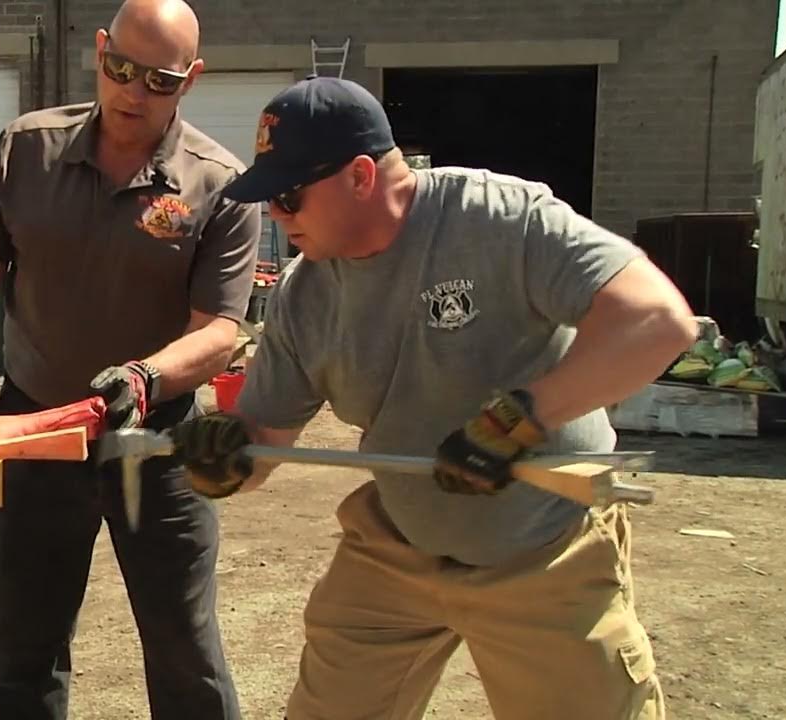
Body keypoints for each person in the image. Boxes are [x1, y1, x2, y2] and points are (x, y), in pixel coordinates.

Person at [167, 76, 696, 720]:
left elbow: (657, 323)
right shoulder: (306, 294)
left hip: (543, 546)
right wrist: (225, 457)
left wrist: (520, 420)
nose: (276, 215)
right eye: (268, 199)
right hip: (400, 544)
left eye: (290, 196)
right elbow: (264, 443)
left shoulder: (499, 220)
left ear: (361, 176)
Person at [0, 0, 261, 717]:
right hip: (36, 429)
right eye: (121, 68)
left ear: (191, 79)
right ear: (100, 52)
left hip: (157, 439)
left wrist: (145, 377)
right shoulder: (24, 151)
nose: (133, 92)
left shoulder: (220, 184)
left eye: (160, 80)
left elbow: (220, 332)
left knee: (185, 650)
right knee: (22, 648)